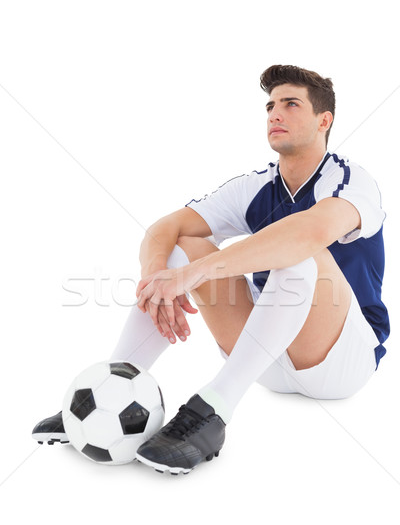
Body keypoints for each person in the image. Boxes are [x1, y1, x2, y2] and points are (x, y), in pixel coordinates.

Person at [32, 64, 389, 475]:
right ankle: (110, 386)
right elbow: (165, 228)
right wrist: (159, 279)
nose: (275, 113)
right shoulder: (255, 185)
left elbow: (310, 232)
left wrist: (194, 276)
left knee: (297, 253)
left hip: (341, 360)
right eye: (271, 105)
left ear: (324, 120)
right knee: (185, 246)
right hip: (263, 357)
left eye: (291, 104)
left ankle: (214, 411)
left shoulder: (350, 179)